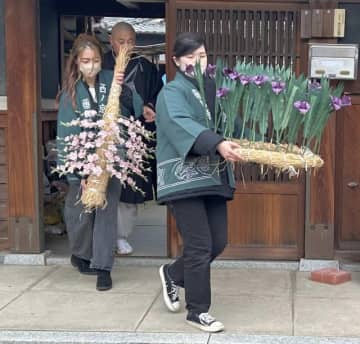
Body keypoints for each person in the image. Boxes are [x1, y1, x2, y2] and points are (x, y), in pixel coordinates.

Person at [155, 32, 242, 333]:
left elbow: (227, 123)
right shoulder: (171, 93)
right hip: (183, 178)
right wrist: (216, 143)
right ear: (177, 61)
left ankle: (172, 273)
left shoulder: (213, 89)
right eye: (190, 57)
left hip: (213, 174)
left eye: (202, 55)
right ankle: (198, 311)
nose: (197, 61)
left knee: (217, 242)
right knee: (199, 244)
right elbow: (180, 123)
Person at [56, 34, 140, 291]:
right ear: (77, 62)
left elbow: (132, 107)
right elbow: (66, 132)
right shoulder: (72, 90)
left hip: (110, 157)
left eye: (94, 60)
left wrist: (124, 92)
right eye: (85, 60)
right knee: (78, 211)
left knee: (106, 211)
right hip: (82, 159)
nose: (91, 65)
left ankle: (103, 267)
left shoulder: (110, 79)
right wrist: (76, 171)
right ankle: (81, 253)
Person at [103, 22, 163, 255]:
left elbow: (157, 93)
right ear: (111, 41)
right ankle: (102, 236)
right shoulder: (102, 64)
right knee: (105, 186)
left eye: (130, 41)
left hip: (135, 136)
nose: (126, 46)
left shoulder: (145, 67)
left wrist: (150, 106)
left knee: (129, 188)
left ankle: (121, 236)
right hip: (107, 134)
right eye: (121, 41)